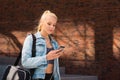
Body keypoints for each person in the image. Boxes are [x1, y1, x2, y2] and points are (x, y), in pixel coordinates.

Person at [21, 10, 63, 80]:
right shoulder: (31, 39)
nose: (52, 27)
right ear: (42, 23)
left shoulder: (54, 43)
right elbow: (25, 62)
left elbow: (56, 68)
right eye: (49, 24)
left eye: (54, 25)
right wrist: (46, 57)